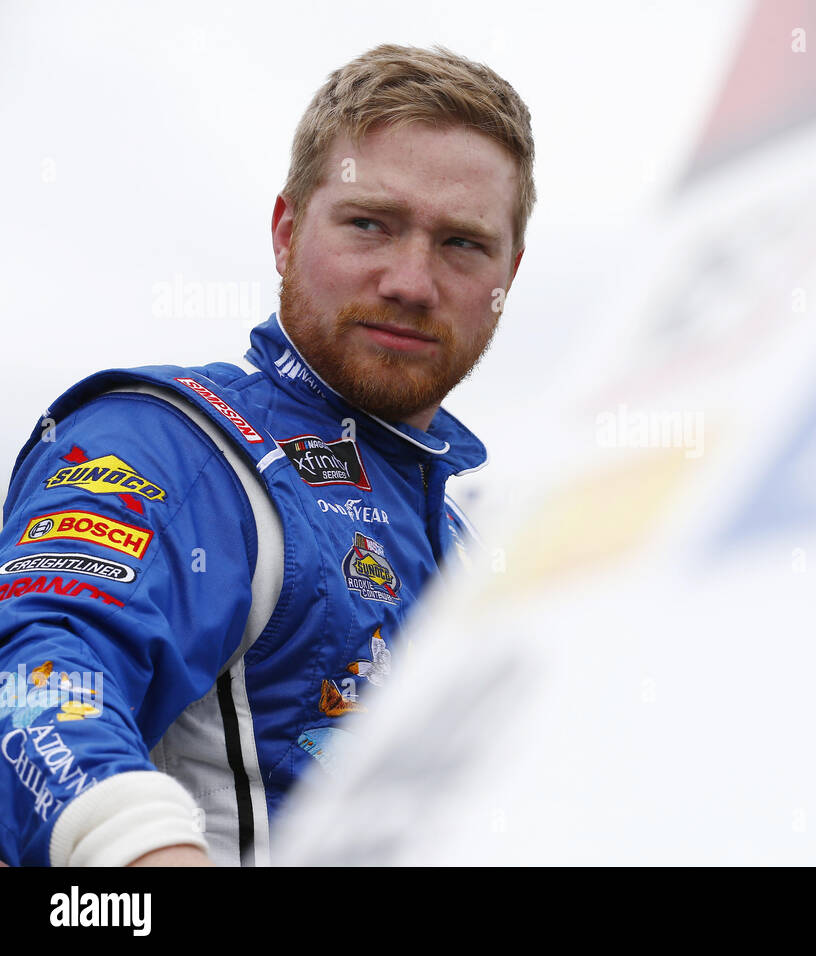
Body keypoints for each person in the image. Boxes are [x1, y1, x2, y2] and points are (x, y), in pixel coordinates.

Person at [0, 43, 534, 866]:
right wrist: (133, 846)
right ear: (286, 233)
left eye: (462, 244)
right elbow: (35, 672)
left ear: (510, 273)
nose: (411, 281)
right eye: (369, 224)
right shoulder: (172, 444)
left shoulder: (475, 542)